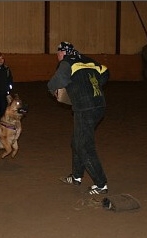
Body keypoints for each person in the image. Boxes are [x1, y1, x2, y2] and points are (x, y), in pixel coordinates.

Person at [47, 41, 110, 195]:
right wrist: (93, 85)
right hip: (99, 105)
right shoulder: (88, 60)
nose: (58, 57)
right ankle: (76, 176)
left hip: (85, 108)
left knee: (84, 146)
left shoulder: (66, 63)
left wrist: (53, 91)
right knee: (77, 141)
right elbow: (106, 72)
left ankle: (101, 184)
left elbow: (55, 82)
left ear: (63, 53)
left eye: (58, 54)